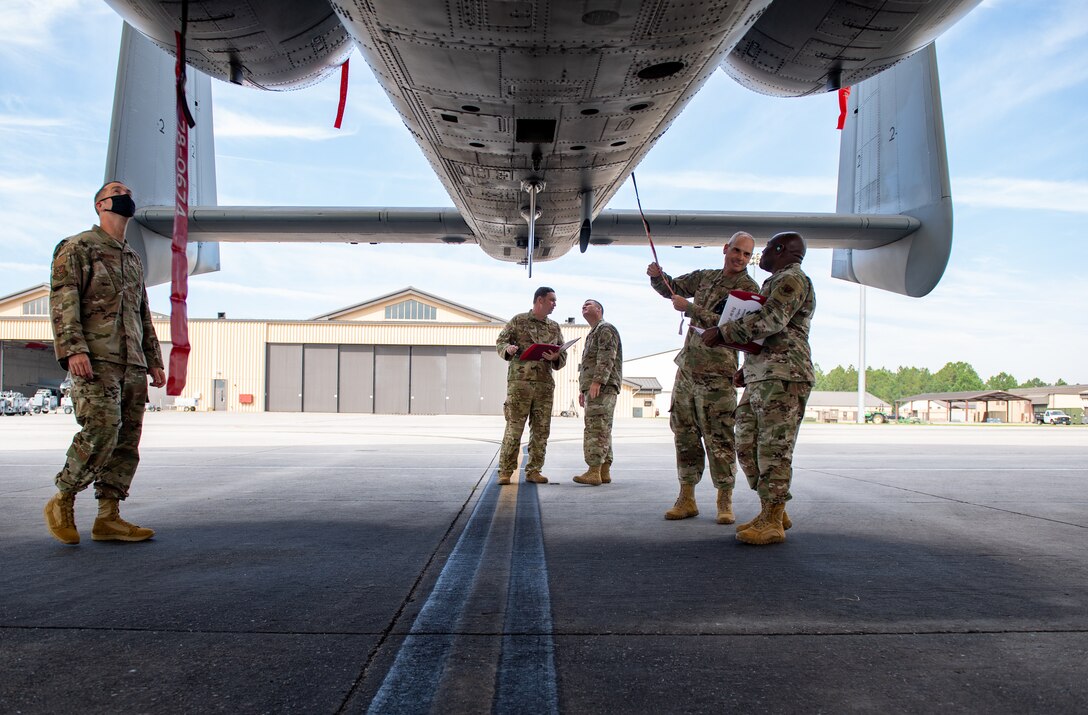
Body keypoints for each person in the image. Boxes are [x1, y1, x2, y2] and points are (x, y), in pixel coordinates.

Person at [43, 180, 167, 545]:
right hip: (96, 359)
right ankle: (63, 497)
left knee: (127, 439)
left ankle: (108, 517)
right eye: (118, 191)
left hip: (132, 363)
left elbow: (143, 314)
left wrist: (153, 360)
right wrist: (73, 349)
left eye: (130, 191)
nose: (126, 196)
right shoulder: (78, 247)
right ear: (100, 204)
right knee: (102, 429)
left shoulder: (132, 258)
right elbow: (63, 300)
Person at [711, 231, 815, 545]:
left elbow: (771, 321)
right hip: (763, 375)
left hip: (784, 377)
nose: (762, 254)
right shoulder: (777, 281)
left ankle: (772, 518)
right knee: (745, 441)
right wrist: (748, 369)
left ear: (781, 250)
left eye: (767, 248)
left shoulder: (792, 280)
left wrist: (722, 333)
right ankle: (772, 506)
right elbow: (770, 334)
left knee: (773, 450)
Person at [648, 232, 759, 523]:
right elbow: (672, 288)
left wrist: (692, 309)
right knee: (684, 435)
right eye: (737, 251)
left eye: (747, 254)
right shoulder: (706, 277)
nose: (740, 258)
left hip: (718, 376)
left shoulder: (749, 288)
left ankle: (725, 501)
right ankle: (686, 498)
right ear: (725, 249)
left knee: (720, 438)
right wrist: (658, 276)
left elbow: (739, 328)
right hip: (687, 371)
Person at [495, 287, 567, 484]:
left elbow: (562, 353)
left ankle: (534, 470)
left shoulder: (554, 327)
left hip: (544, 385)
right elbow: (500, 342)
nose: (555, 304)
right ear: (540, 300)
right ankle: (505, 471)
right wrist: (508, 349)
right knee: (514, 428)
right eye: (552, 300)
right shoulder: (519, 321)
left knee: (541, 429)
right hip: (520, 384)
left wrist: (556, 357)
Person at [573, 299, 622, 486]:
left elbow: (607, 356)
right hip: (595, 387)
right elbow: (589, 364)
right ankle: (604, 470)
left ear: (599, 310)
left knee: (596, 428)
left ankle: (594, 471)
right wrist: (583, 388)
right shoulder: (593, 332)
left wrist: (597, 381)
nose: (584, 306)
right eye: (583, 305)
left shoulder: (605, 329)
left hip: (602, 386)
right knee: (603, 427)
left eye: (588, 304)